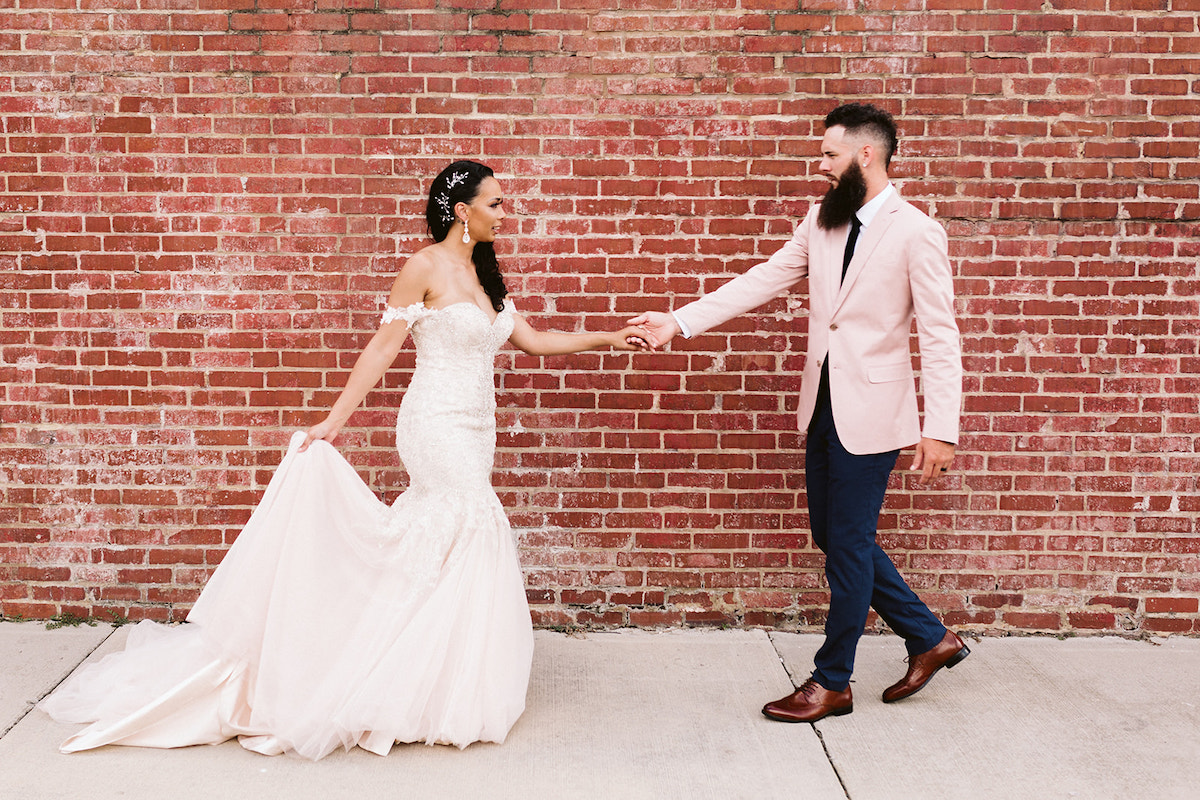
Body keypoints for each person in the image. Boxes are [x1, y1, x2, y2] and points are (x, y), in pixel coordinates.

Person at [40, 160, 649, 759]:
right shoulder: (423, 266)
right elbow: (383, 348)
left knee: (449, 536)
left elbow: (533, 339)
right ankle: (395, 676)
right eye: (495, 203)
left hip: (476, 427)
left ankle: (426, 677)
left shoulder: (485, 273)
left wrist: (609, 336)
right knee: (467, 520)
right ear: (462, 211)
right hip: (434, 424)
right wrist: (334, 420)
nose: (504, 212)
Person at [629, 103, 967, 722]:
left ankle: (832, 680)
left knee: (849, 540)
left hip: (874, 410)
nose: (821, 166)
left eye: (829, 155)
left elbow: (941, 336)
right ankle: (928, 636)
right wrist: (678, 322)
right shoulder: (820, 221)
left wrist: (940, 429)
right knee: (835, 537)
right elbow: (762, 279)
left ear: (866, 155)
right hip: (823, 407)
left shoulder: (917, 231)